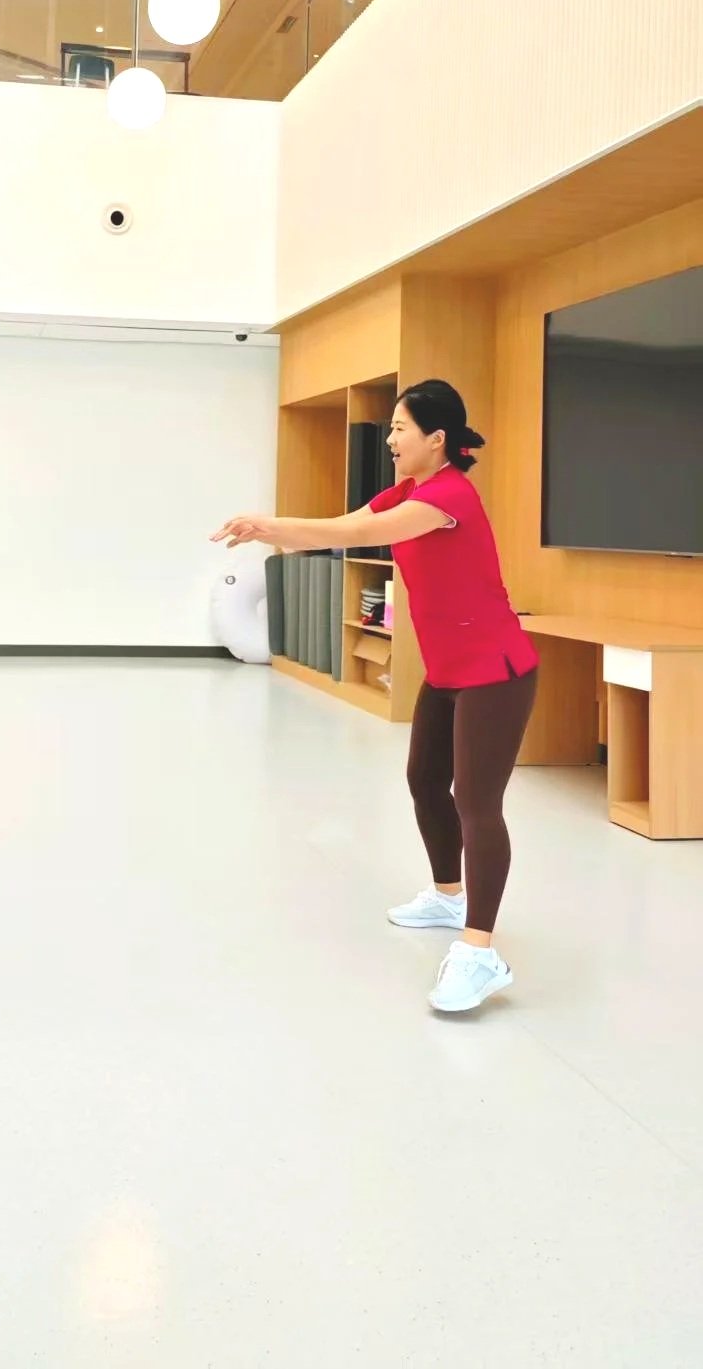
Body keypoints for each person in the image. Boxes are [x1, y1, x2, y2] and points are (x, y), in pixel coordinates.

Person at [212, 379, 537, 1014]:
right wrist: (268, 528)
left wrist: (269, 523)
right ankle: (450, 896)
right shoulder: (409, 490)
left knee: (476, 800)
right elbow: (344, 527)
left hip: (496, 670)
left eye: (399, 428)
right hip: (447, 670)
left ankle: (480, 952)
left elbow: (360, 531)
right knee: (423, 781)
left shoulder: (448, 497)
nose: (389, 439)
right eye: (390, 428)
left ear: (435, 438)